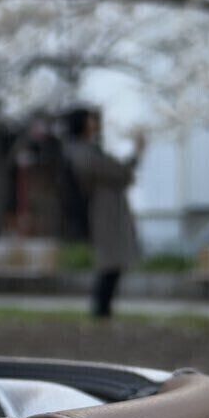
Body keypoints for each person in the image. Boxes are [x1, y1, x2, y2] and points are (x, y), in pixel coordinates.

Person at [63, 106, 144, 320]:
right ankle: (101, 308)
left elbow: (117, 171)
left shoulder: (88, 149)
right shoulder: (81, 151)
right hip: (102, 211)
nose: (94, 124)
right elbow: (116, 172)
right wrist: (132, 159)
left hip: (109, 209)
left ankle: (103, 308)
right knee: (110, 260)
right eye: (90, 120)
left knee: (113, 261)